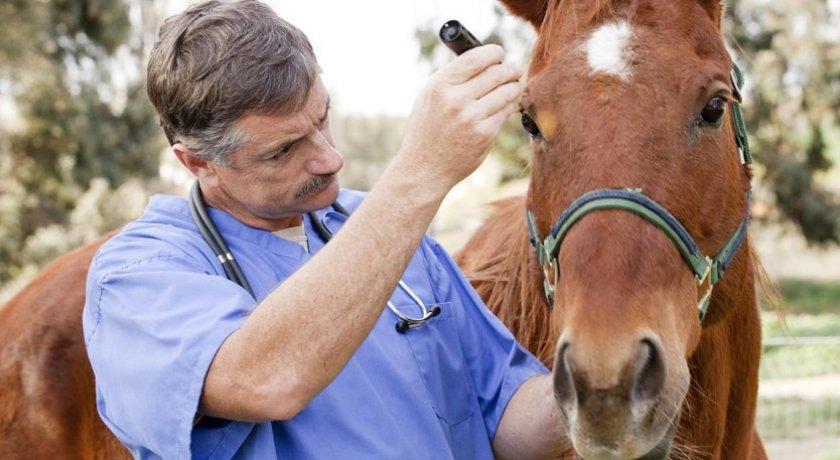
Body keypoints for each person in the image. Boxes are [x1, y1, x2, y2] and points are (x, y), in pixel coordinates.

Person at [82, 1, 566, 458]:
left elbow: (503, 415)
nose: (330, 159)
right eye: (282, 151)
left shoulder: (385, 229)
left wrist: (595, 392)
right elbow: (264, 380)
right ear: (198, 162)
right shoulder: (136, 276)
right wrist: (422, 171)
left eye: (322, 118)